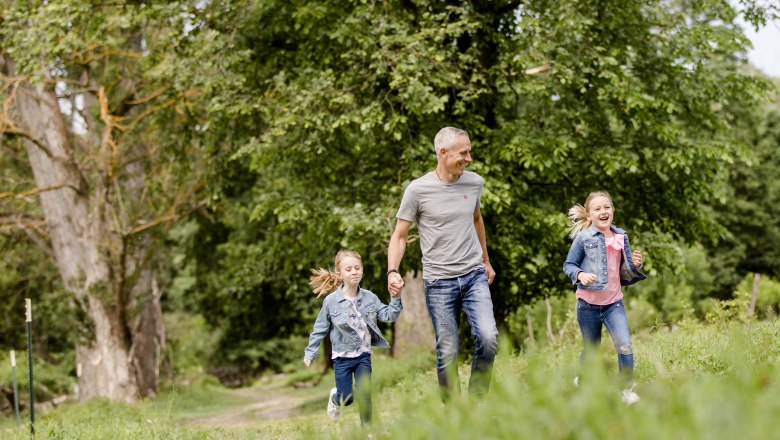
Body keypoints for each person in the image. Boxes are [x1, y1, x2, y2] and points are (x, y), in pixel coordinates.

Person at [387, 126, 498, 400]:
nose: (468, 158)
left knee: (488, 338)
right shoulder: (418, 190)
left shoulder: (474, 183)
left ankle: (476, 404)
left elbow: (476, 219)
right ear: (443, 152)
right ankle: (453, 413)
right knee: (447, 350)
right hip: (439, 283)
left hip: (474, 275)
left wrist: (485, 260)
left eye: (469, 152)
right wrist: (392, 271)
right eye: (463, 153)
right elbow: (400, 236)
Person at [562, 191, 647, 405]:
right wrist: (580, 274)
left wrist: (635, 265)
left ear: (613, 211)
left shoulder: (621, 237)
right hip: (588, 305)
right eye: (597, 209)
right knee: (591, 351)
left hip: (613, 304)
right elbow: (569, 265)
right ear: (589, 215)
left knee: (625, 345)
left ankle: (625, 390)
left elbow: (623, 270)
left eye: (607, 207)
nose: (603, 212)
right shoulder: (583, 238)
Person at [303, 250, 402, 425]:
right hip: (342, 357)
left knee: (364, 394)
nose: (354, 272)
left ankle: (368, 431)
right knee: (346, 398)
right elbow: (320, 328)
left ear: (362, 270)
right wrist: (310, 352)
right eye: (348, 269)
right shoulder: (331, 301)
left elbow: (388, 316)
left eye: (357, 268)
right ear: (340, 273)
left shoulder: (370, 298)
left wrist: (395, 297)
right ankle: (335, 398)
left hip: (363, 355)